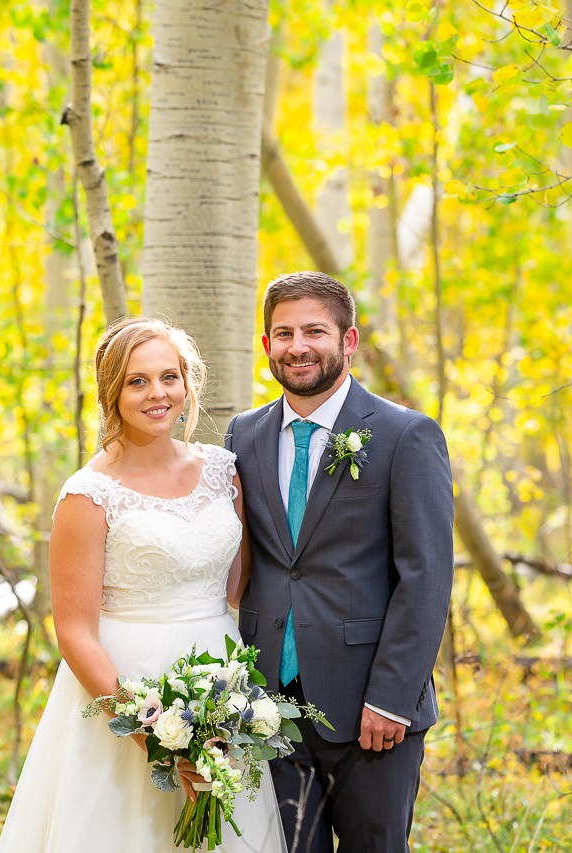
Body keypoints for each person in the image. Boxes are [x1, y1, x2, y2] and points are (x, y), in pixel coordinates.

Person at [0, 316, 285, 853]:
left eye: (169, 377)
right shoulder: (89, 495)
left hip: (220, 680)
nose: (158, 394)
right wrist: (150, 732)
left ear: (187, 384)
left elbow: (238, 586)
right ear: (112, 392)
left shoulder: (224, 471)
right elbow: (75, 632)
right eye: (138, 381)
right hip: (128, 684)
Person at [225, 271, 454, 853]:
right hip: (269, 708)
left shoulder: (406, 435)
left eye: (313, 331)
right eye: (282, 334)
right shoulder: (243, 435)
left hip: (368, 714)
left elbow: (425, 578)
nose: (297, 346)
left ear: (347, 341)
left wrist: (390, 699)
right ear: (266, 346)